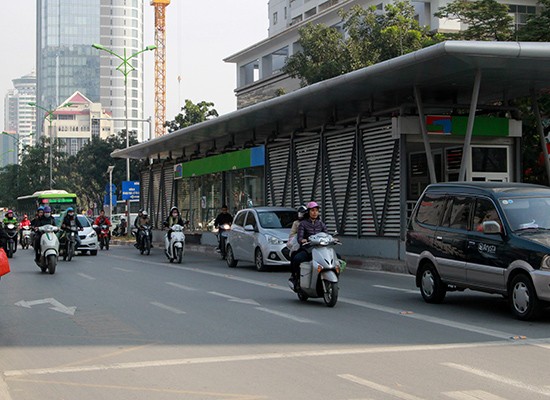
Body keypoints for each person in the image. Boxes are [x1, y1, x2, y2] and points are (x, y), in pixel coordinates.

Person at [289, 201, 328, 289]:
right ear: (309, 212)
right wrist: (302, 240)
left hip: (320, 249)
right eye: (312, 210)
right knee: (297, 259)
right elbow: (299, 237)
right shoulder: (303, 224)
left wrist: (332, 239)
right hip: (308, 248)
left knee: (338, 258)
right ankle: (295, 278)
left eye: (316, 211)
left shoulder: (321, 223)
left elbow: (326, 234)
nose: (315, 213)